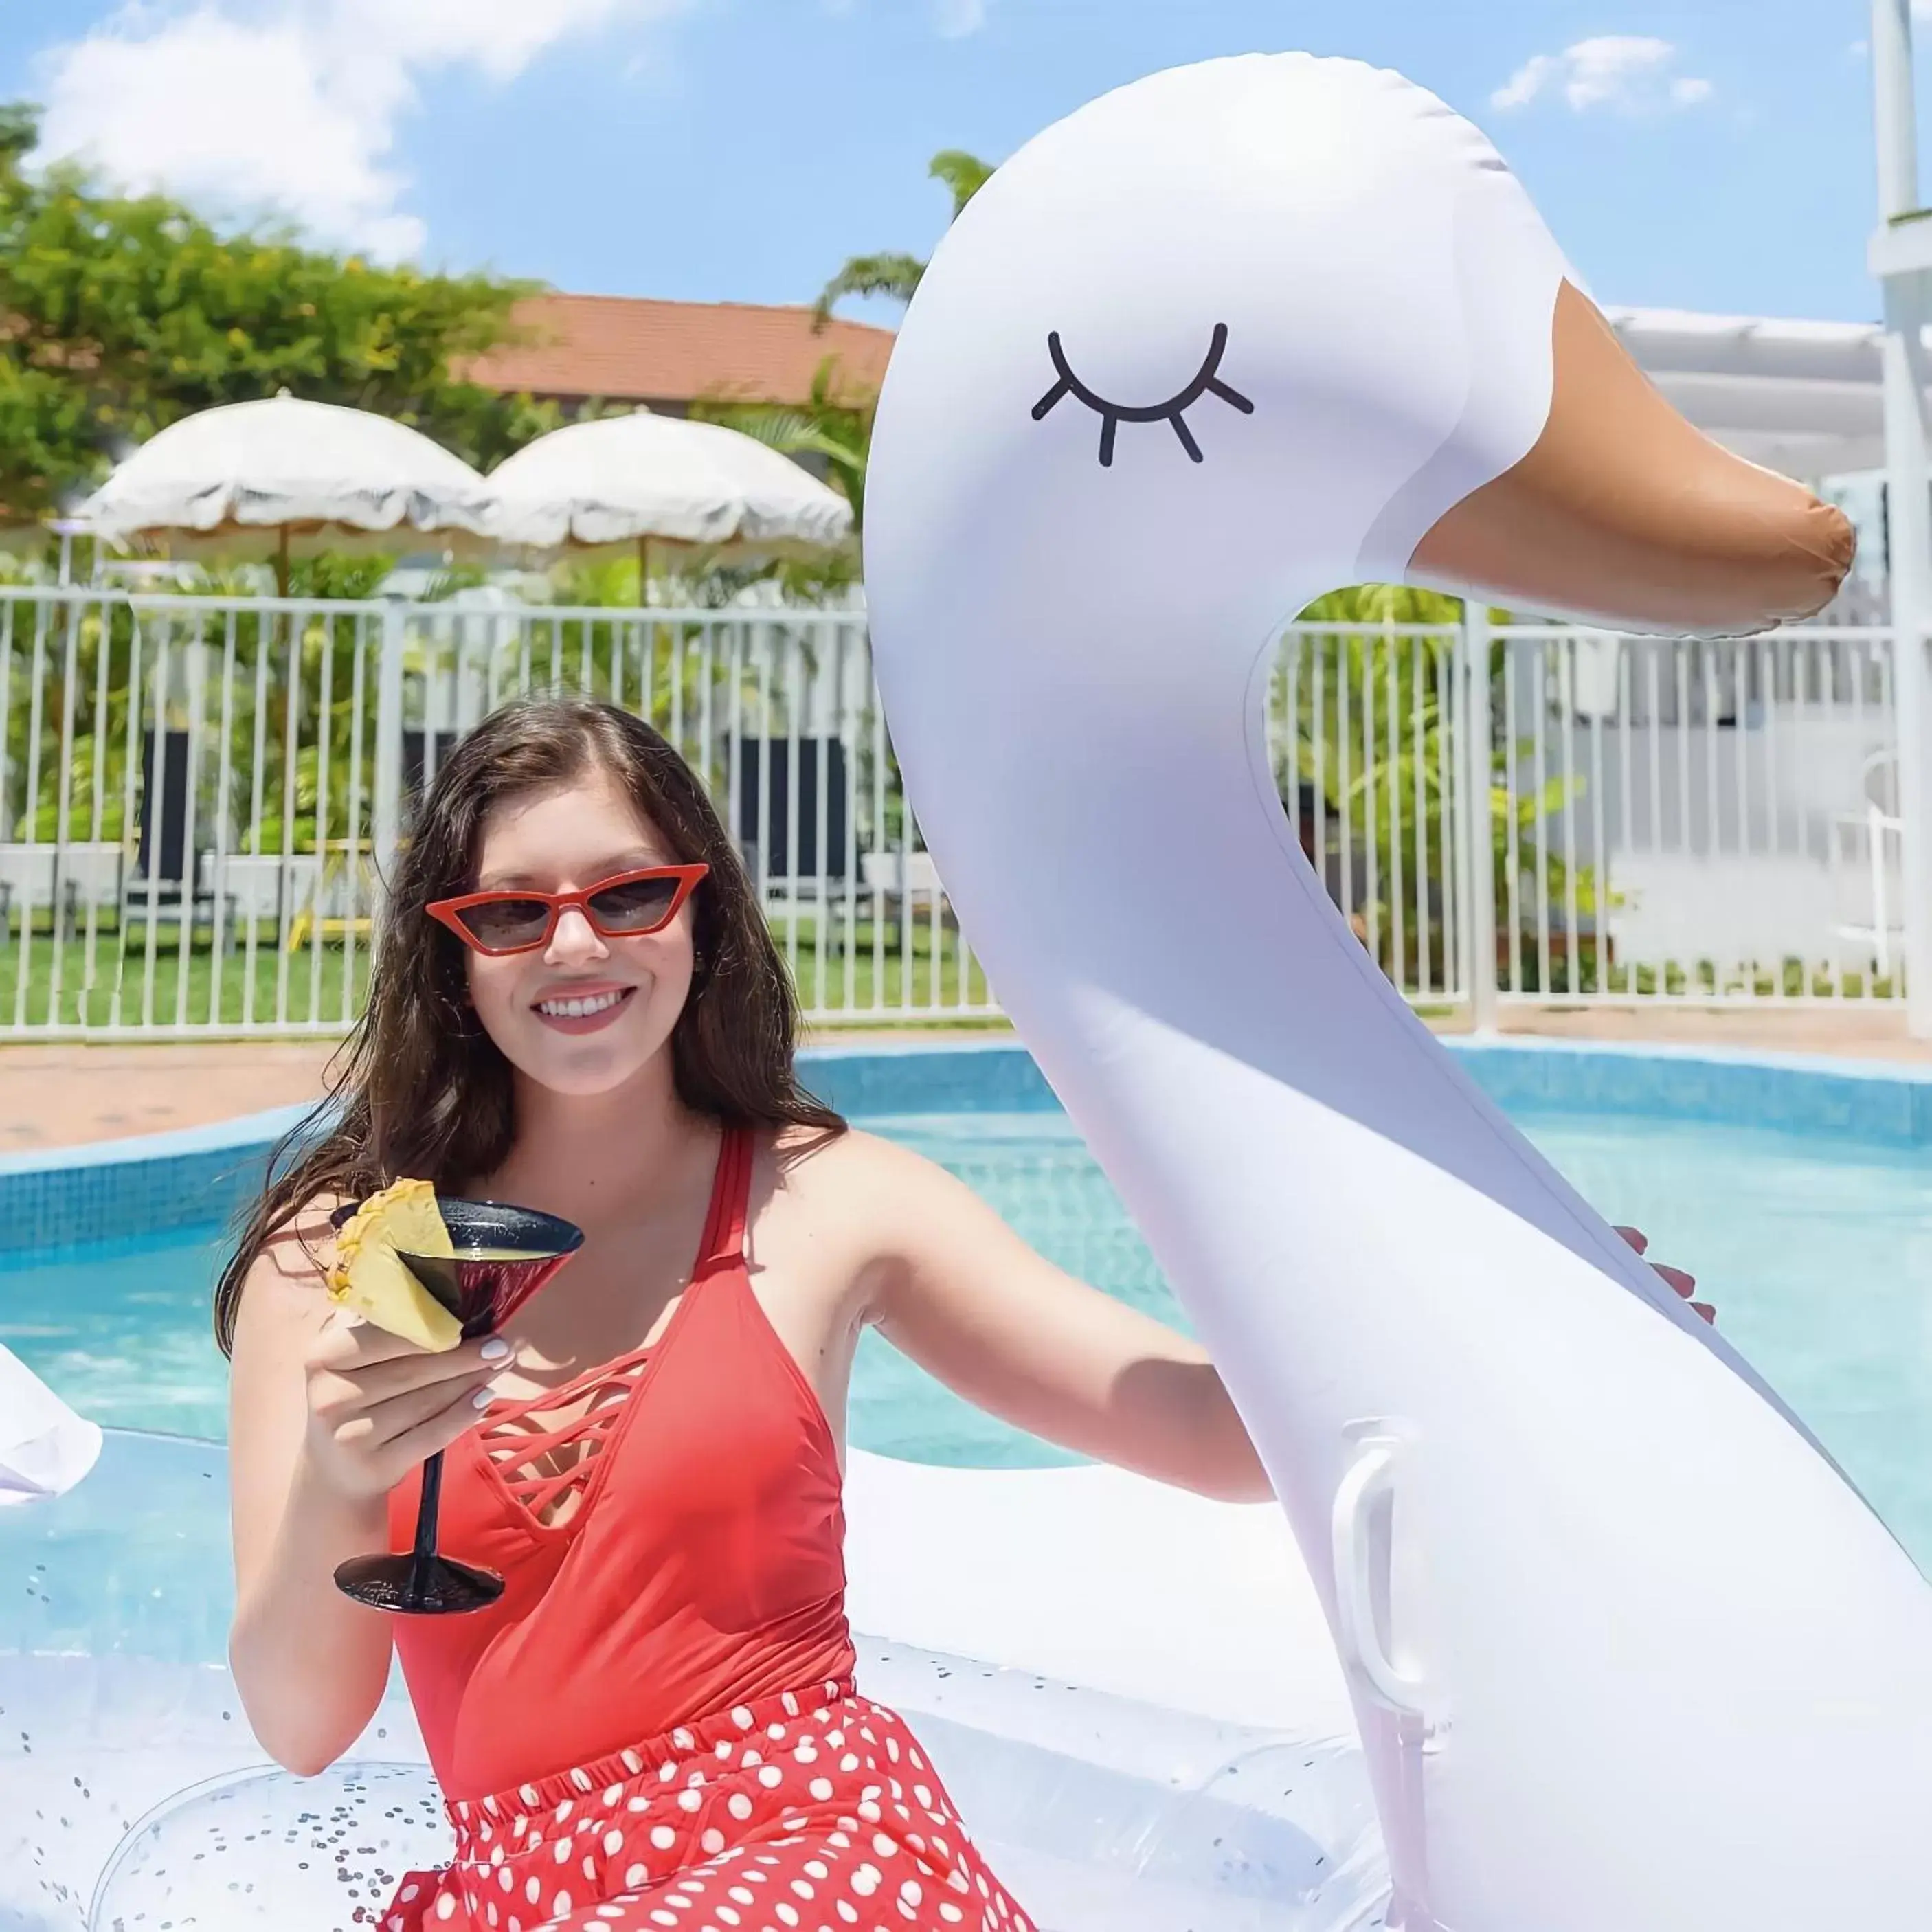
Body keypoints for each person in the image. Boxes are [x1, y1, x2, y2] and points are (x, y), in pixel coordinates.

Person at [218, 695, 1705, 1932]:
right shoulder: (358, 1256)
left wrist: (1497, 1343)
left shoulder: (824, 1201)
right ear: (451, 947)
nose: (577, 945)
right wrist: (340, 1487)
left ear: (699, 910)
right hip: (520, 1888)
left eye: (625, 891)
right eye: (512, 910)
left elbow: (1188, 1417)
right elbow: (300, 1726)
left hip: (812, 1854)